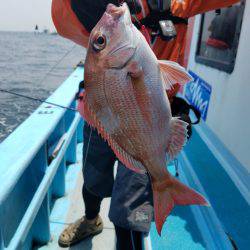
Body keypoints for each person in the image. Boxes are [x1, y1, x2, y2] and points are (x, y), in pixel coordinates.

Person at [51, 0, 240, 249]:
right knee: (93, 181)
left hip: (147, 127)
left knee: (129, 213)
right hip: (101, 117)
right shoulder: (111, 13)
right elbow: (63, 21)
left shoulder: (180, 5)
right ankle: (90, 219)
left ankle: (154, 195)